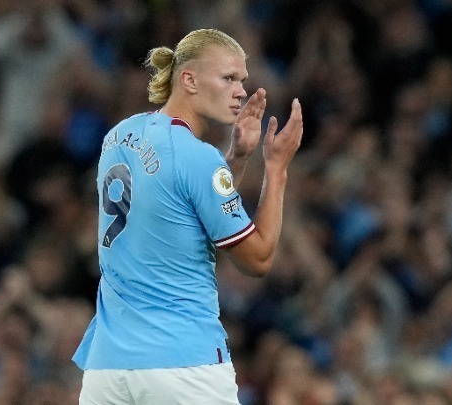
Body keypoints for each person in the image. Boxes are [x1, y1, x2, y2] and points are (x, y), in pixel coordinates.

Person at [72, 28, 303, 404]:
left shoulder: (119, 136)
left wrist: (236, 160)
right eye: (228, 78)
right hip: (181, 361)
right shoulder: (198, 157)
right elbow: (257, 259)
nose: (241, 91)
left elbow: (179, 207)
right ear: (189, 80)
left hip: (108, 366)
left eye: (242, 80)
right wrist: (276, 169)